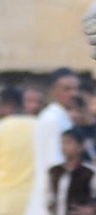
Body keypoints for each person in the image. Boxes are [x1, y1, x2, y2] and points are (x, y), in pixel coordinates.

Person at [26, 68, 79, 215]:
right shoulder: (52, 120)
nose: (73, 94)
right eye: (67, 89)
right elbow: (54, 163)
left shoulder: (61, 117)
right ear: (53, 91)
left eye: (75, 89)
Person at [47, 128, 96, 215]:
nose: (64, 147)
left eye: (68, 143)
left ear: (80, 147)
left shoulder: (88, 172)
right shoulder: (55, 171)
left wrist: (95, 208)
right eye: (63, 143)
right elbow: (48, 196)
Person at [0, 87, 36, 215]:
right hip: (36, 204)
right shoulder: (40, 126)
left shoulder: (2, 128)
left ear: (9, 105)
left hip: (5, 204)